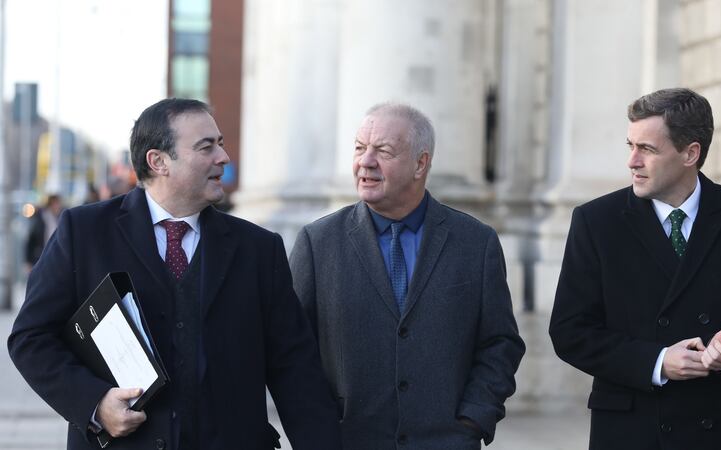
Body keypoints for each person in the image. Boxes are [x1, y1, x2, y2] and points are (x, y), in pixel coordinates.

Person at [8, 99, 342, 450]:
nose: (223, 158)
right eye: (206, 147)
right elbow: (31, 338)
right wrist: (95, 403)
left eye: (221, 143)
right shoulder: (84, 233)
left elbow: (296, 372)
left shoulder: (259, 249)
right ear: (159, 161)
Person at [549, 88, 721, 450]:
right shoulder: (596, 222)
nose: (632, 161)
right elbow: (570, 331)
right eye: (630, 146)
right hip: (633, 431)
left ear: (690, 153)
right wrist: (658, 361)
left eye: (647, 149)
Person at [289, 102, 525, 449]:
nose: (365, 161)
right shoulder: (317, 242)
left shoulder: (475, 242)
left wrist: (474, 417)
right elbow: (292, 352)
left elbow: (500, 343)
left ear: (420, 163)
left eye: (383, 151)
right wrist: (318, 431)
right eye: (359, 148)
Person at [24, 193, 63, 268]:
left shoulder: (60, 218)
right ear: (50, 205)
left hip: (54, 257)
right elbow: (31, 240)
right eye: (55, 204)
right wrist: (28, 261)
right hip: (40, 256)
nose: (57, 207)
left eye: (58, 204)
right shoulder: (41, 218)